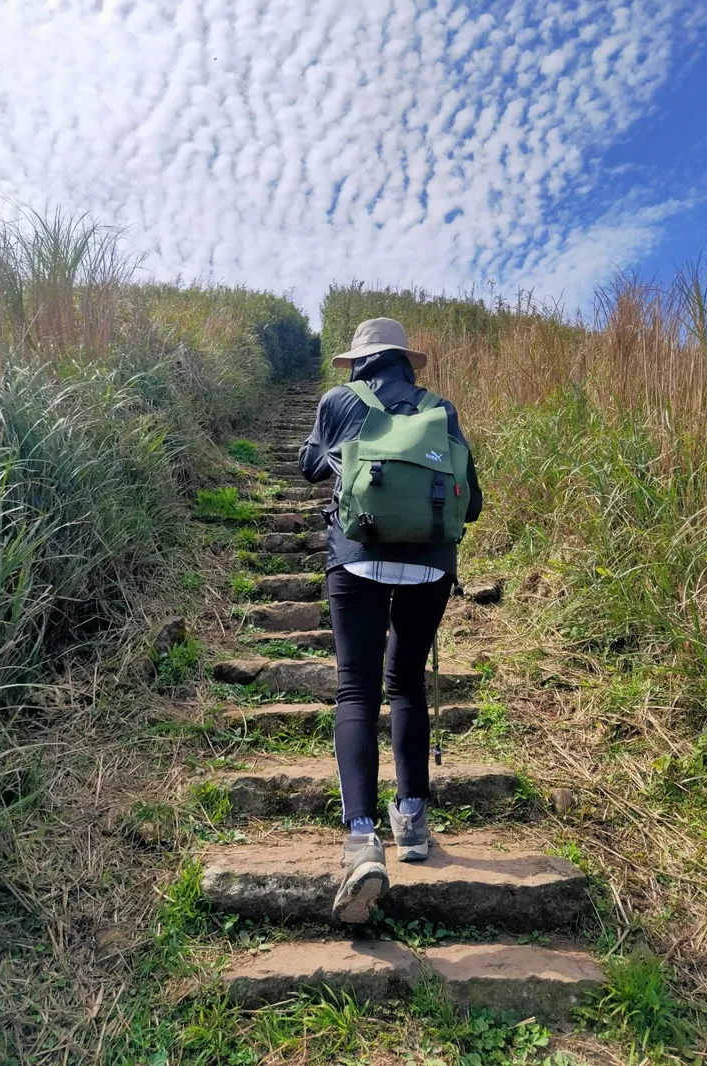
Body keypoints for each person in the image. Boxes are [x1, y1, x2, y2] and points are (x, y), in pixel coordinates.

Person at [299, 318, 482, 923]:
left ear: (360, 362)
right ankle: (413, 819)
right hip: (430, 568)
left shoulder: (339, 402)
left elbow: (310, 467)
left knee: (357, 688)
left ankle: (360, 838)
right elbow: (472, 504)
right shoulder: (441, 409)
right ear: (406, 361)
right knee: (405, 682)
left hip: (356, 561)